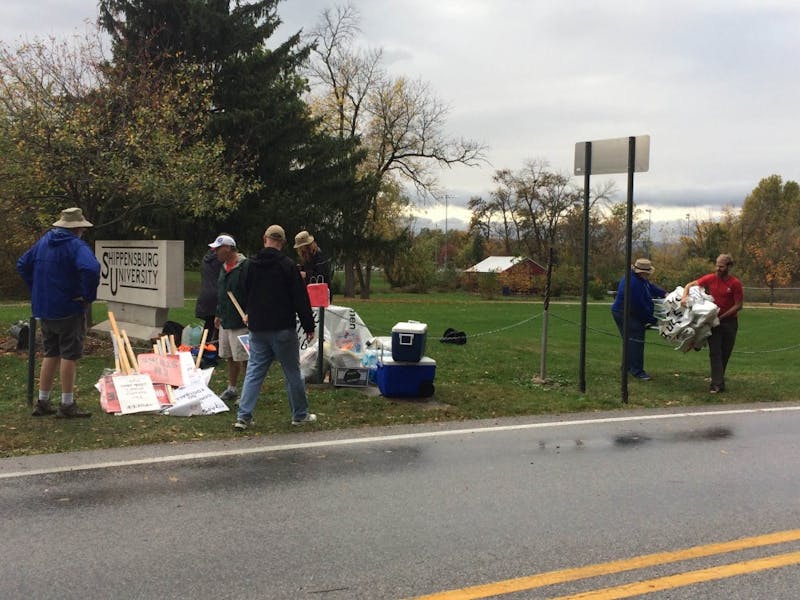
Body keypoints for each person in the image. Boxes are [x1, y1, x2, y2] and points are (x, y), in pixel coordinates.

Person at [16, 207, 101, 418]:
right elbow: (91, 268)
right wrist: (86, 295)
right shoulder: (75, 246)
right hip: (68, 307)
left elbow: (22, 264)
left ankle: (42, 400)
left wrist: (36, 288)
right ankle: (67, 404)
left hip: (44, 309)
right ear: (79, 227)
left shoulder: (44, 242)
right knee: (69, 355)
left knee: (50, 353)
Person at [234, 225, 316, 430]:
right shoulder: (287, 266)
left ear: (265, 239)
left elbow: (244, 292)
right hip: (282, 328)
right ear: (283, 243)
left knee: (254, 371)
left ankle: (243, 416)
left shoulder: (250, 265)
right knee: (292, 372)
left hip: (258, 327)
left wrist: (249, 311)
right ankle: (300, 414)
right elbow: (300, 297)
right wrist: (308, 324)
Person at [681, 254, 744, 393]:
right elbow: (691, 285)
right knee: (715, 352)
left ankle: (718, 381)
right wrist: (684, 296)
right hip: (713, 321)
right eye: (716, 265)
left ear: (729, 266)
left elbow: (738, 305)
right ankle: (716, 384)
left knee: (725, 353)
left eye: (721, 266)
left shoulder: (735, 283)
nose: (718, 268)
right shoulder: (710, 278)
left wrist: (722, 317)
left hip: (729, 322)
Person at [610, 258, 666, 381]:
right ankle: (637, 371)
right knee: (636, 340)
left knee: (629, 340)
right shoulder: (633, 284)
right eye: (647, 273)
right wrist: (652, 320)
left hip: (624, 311)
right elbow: (639, 306)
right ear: (641, 272)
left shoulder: (639, 279)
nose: (648, 275)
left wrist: (664, 294)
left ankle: (627, 367)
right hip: (625, 313)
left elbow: (650, 287)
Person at [208, 234, 248, 403]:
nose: (215, 252)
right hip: (226, 318)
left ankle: (248, 392)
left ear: (229, 248)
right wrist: (218, 313)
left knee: (244, 357)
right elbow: (222, 293)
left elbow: (252, 291)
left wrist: (250, 312)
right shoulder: (224, 268)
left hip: (241, 320)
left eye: (218, 248)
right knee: (229, 355)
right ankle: (232, 387)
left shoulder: (245, 266)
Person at [194, 243, 223, 343]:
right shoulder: (220, 260)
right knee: (215, 324)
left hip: (205, 295)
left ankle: (205, 348)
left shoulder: (206, 258)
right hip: (216, 296)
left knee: (209, 325)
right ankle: (210, 349)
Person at [294, 230, 332, 300]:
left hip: (321, 293)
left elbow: (321, 274)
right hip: (310, 292)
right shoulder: (305, 257)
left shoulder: (319, 256)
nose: (300, 249)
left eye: (301, 246)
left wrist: (306, 274)